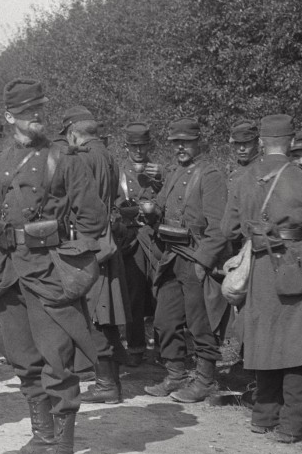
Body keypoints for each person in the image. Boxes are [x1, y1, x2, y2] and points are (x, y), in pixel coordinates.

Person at [0, 79, 107, 454]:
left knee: (56, 361)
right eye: (29, 113)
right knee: (24, 360)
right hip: (9, 273)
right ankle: (41, 438)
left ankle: (63, 451)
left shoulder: (65, 159)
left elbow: (93, 220)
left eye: (41, 111)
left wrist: (67, 255)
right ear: (11, 118)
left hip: (47, 273)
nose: (38, 118)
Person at [221, 114, 302, 443]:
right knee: (300, 342)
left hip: (259, 265)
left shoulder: (241, 178)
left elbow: (226, 229)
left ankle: (263, 416)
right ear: (291, 141)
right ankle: (290, 426)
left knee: (263, 337)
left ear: (260, 141)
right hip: (296, 262)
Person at [141, 117, 229, 403]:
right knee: (165, 320)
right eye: (176, 143)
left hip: (194, 257)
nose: (180, 147)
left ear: (198, 142)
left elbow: (219, 227)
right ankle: (175, 374)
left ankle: (205, 380)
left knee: (200, 322)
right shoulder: (176, 173)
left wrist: (203, 262)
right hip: (171, 256)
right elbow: (164, 207)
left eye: (185, 142)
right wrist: (151, 211)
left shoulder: (210, 175)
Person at [62, 106, 131, 404]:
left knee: (96, 313)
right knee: (106, 312)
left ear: (73, 134)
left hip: (89, 243)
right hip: (107, 241)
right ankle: (110, 380)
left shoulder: (81, 158)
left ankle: (106, 385)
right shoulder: (108, 156)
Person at [115, 122, 164, 367]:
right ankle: (135, 347)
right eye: (133, 146)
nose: (138, 151)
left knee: (159, 292)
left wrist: (160, 180)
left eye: (142, 146)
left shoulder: (159, 171)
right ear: (126, 147)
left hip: (156, 238)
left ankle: (163, 348)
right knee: (133, 293)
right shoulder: (119, 172)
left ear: (149, 146)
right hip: (131, 239)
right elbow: (114, 201)